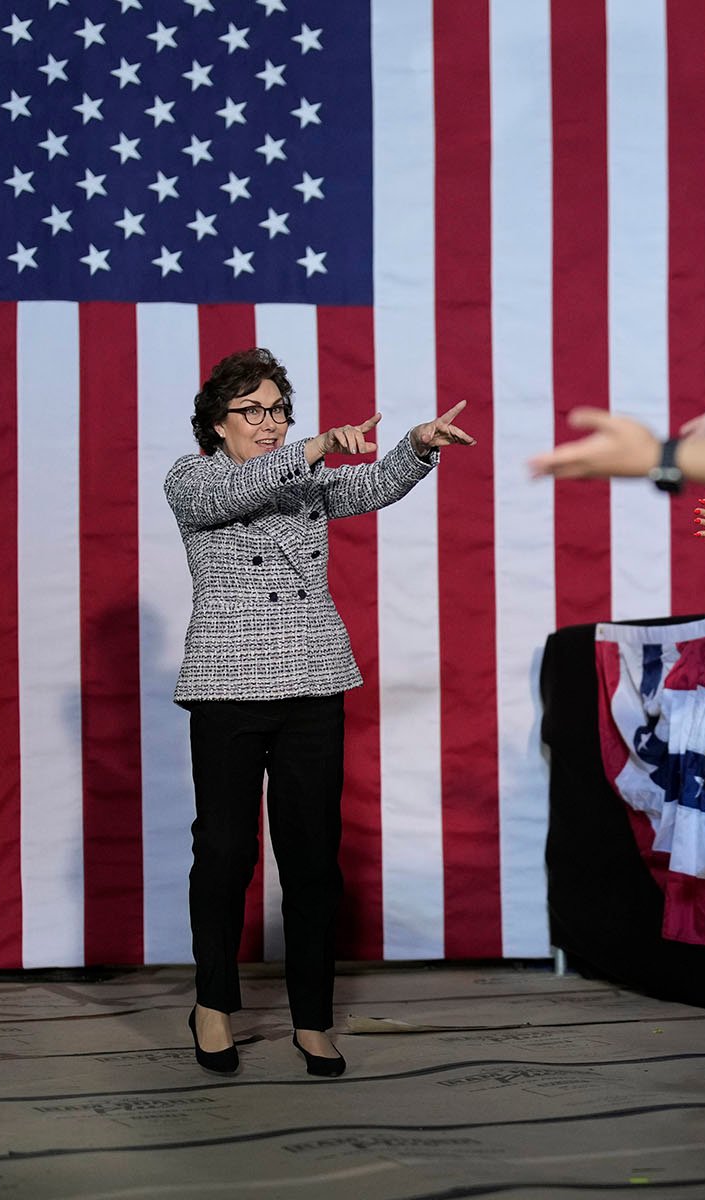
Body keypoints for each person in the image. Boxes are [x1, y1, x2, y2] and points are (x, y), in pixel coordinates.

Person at [163, 347, 474, 1078]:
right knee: (225, 853)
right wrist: (315, 445)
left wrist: (415, 449)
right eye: (253, 410)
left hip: (312, 679)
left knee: (311, 861)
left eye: (279, 410)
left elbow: (366, 487)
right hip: (228, 684)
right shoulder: (192, 478)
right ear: (216, 425)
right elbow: (236, 495)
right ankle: (212, 1004)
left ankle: (311, 1018)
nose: (269, 423)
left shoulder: (304, 483)